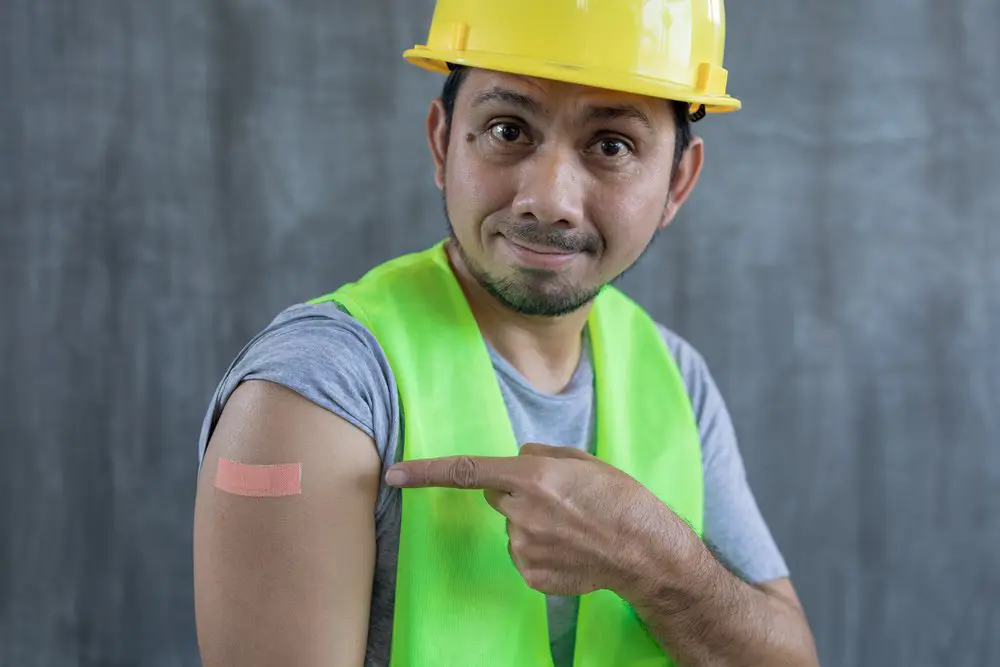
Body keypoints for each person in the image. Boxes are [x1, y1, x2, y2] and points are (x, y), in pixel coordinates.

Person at [193, 1, 820, 665]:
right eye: (507, 129)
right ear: (442, 143)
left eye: (612, 145)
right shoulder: (322, 388)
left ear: (677, 183)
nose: (548, 198)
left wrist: (654, 559)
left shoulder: (673, 377)